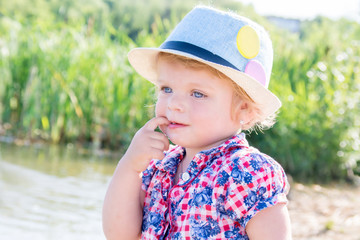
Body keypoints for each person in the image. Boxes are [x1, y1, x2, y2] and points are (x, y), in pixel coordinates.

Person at [103, 6, 291, 240]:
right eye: (167, 89)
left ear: (244, 109)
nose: (174, 104)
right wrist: (130, 167)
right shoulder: (159, 167)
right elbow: (119, 235)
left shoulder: (247, 171)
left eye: (197, 93)